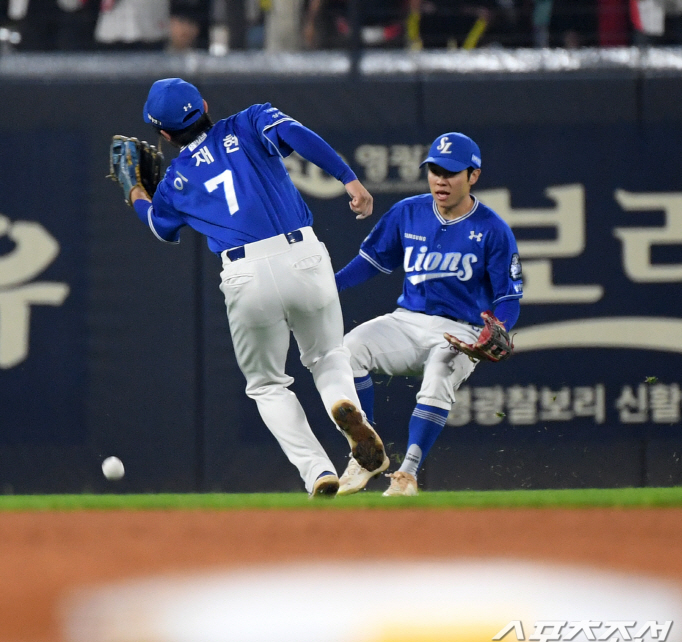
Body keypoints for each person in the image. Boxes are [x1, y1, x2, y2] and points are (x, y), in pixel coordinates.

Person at [123, 78, 390, 497]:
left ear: (164, 134)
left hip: (245, 274)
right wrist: (348, 179)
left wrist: (137, 192)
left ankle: (317, 471)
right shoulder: (247, 122)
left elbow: (158, 225)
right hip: (303, 255)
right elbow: (296, 134)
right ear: (205, 105)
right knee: (328, 357)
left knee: (267, 385)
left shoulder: (175, 179)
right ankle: (346, 408)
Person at [334, 132, 523, 497]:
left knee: (438, 374)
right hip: (408, 320)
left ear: (473, 175)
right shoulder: (409, 211)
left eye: (451, 172)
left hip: (462, 331)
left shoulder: (492, 229)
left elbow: (509, 296)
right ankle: (365, 454)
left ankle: (407, 473)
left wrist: (498, 328)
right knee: (348, 350)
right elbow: (370, 262)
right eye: (434, 170)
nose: (441, 179)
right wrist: (332, 286)